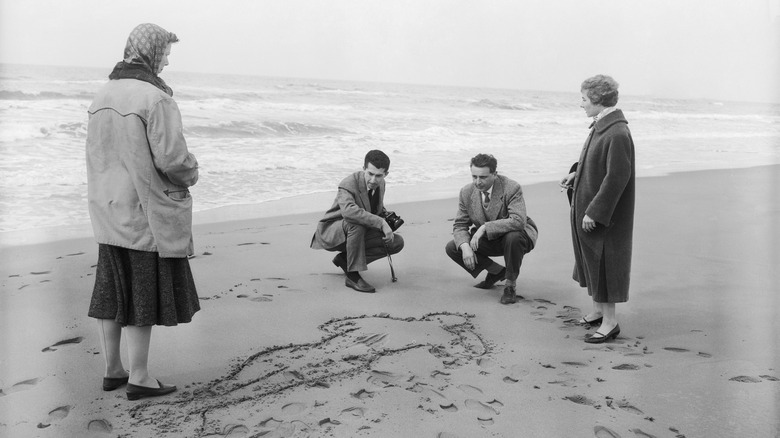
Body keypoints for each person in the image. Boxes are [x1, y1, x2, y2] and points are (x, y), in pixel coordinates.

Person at [86, 23, 200, 400]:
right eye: (165, 52)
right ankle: (139, 375)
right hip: (142, 210)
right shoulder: (154, 98)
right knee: (140, 294)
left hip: (106, 207)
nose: (167, 60)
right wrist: (192, 170)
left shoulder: (101, 94)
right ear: (150, 52)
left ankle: (112, 369)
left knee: (110, 291)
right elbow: (173, 160)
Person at [559, 74, 636, 344]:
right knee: (591, 260)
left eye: (583, 99)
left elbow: (617, 177)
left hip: (604, 217)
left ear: (598, 101)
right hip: (590, 208)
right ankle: (597, 311)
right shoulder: (603, 125)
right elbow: (595, 160)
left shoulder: (617, 132)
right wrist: (575, 173)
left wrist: (595, 211)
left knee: (604, 263)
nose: (581, 104)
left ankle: (610, 322)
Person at [445, 154, 538, 304]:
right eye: (474, 176)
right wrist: (465, 247)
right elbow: (460, 225)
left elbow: (518, 221)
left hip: (518, 237)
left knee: (513, 237)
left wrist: (484, 227)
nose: (477, 182)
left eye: (483, 177)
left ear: (495, 174)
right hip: (490, 239)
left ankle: (510, 285)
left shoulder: (511, 187)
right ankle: (496, 271)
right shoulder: (466, 192)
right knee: (454, 247)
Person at [310, 150, 404, 293]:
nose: (373, 180)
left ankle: (345, 260)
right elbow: (349, 212)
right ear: (363, 169)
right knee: (356, 222)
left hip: (358, 233)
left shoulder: (381, 184)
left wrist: (386, 217)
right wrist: (381, 223)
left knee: (396, 242)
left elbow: (374, 207)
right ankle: (352, 276)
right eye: (370, 174)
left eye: (379, 176)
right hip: (333, 232)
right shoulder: (348, 184)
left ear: (386, 174)